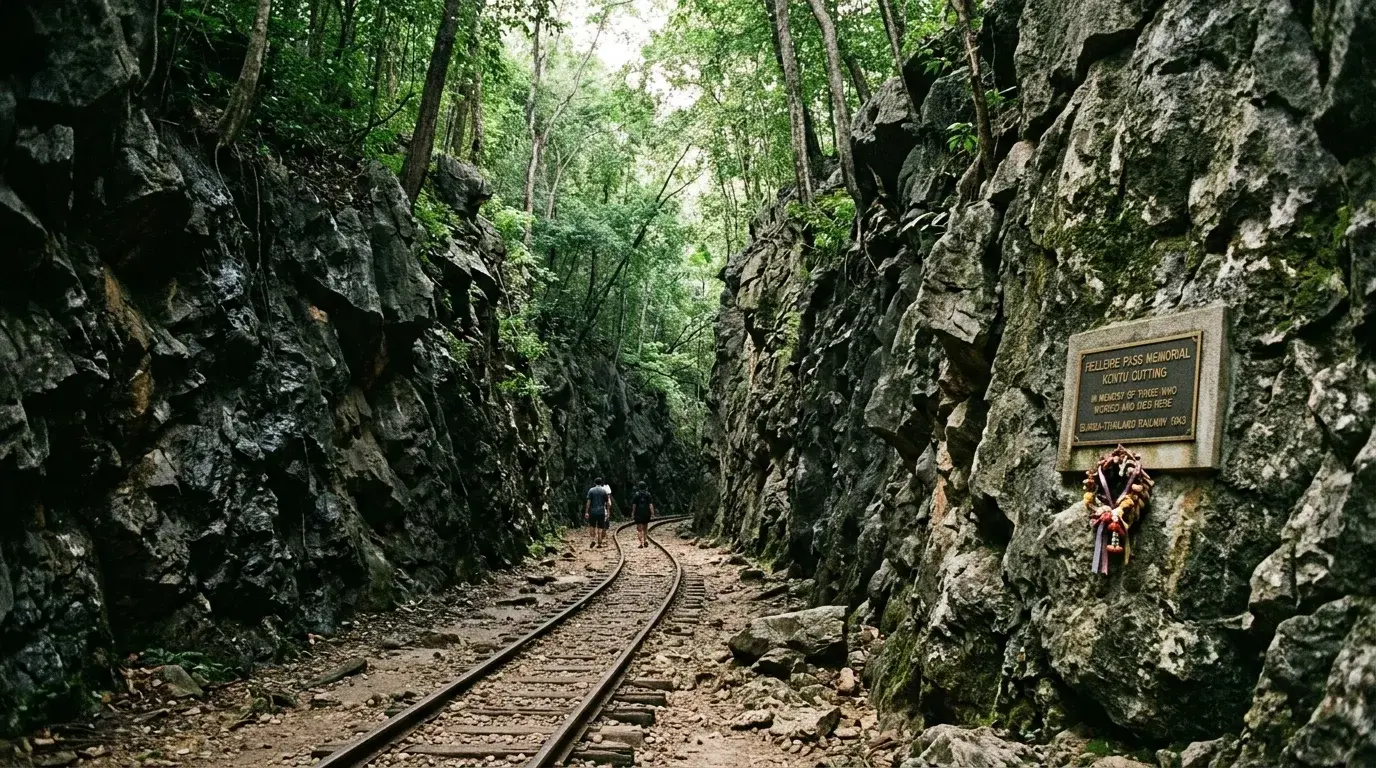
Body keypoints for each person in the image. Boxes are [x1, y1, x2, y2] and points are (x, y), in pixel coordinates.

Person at [584, 477, 612, 548]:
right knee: (600, 527)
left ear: (595, 483)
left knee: (592, 526)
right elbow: (607, 503)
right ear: (601, 483)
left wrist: (587, 512)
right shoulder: (603, 491)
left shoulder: (591, 490)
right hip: (601, 511)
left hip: (593, 511)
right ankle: (599, 544)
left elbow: (588, 502)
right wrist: (608, 511)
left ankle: (593, 539)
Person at [631, 481, 656, 548]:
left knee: (639, 529)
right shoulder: (648, 494)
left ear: (639, 487)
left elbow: (634, 505)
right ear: (645, 487)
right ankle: (645, 540)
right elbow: (650, 504)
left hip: (638, 514)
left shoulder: (636, 495)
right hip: (646, 514)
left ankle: (641, 543)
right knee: (645, 528)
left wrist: (633, 513)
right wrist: (652, 513)